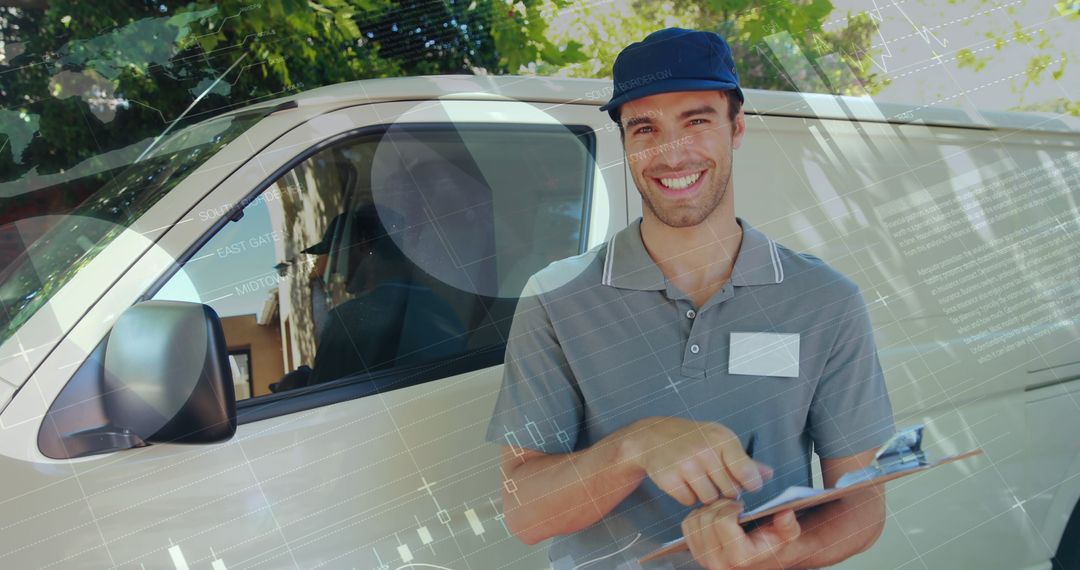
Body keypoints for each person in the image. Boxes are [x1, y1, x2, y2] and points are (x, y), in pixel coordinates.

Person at [484, 27, 895, 570]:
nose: (671, 153)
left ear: (736, 129)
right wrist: (637, 446)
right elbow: (526, 517)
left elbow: (861, 503)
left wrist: (773, 555)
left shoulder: (825, 300)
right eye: (645, 128)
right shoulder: (556, 297)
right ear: (626, 143)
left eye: (696, 121)